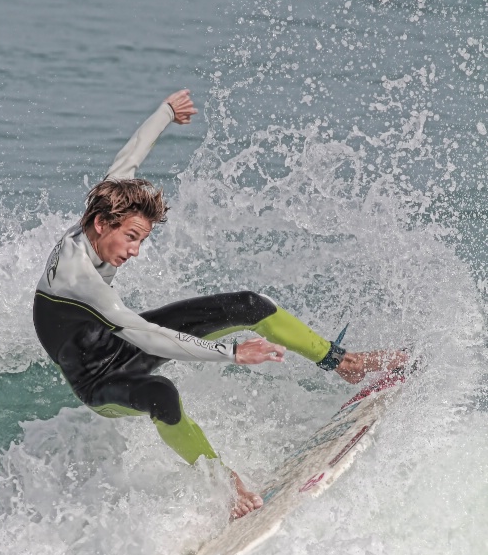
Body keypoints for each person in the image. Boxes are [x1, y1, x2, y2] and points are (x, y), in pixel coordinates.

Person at [33, 90, 406, 518]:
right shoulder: (79, 280)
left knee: (247, 305)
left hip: (120, 342)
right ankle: (225, 483)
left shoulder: (102, 212)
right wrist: (230, 353)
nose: (135, 251)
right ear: (102, 224)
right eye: (132, 237)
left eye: (142, 239)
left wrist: (165, 113)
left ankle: (346, 364)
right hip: (99, 381)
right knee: (161, 394)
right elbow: (145, 334)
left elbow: (127, 160)